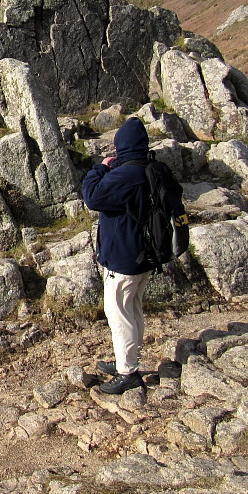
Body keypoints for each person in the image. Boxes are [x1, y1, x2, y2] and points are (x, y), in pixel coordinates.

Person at [81, 117, 156, 395]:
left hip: (123, 258)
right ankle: (127, 360)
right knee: (133, 310)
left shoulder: (126, 175)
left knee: (118, 314)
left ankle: (128, 373)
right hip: (143, 255)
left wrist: (99, 169)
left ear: (122, 146)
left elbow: (92, 197)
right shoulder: (150, 168)